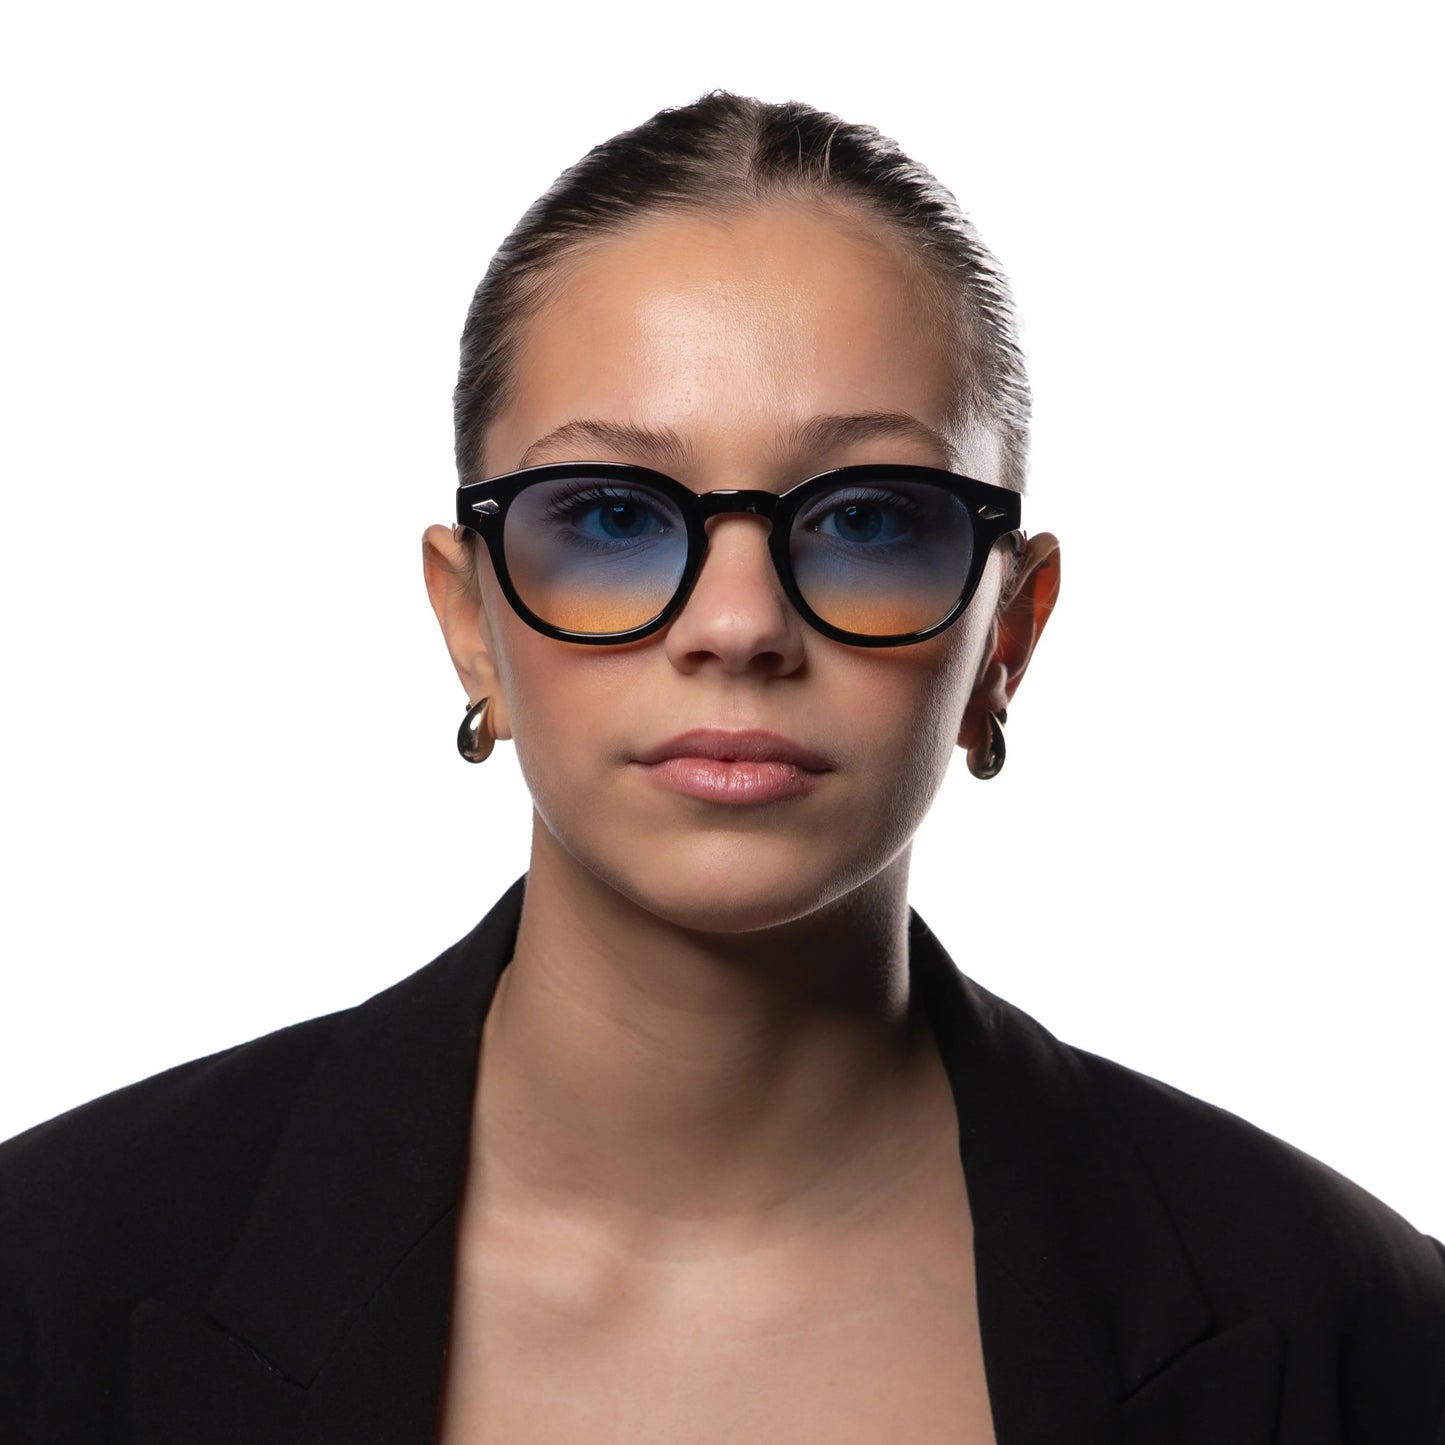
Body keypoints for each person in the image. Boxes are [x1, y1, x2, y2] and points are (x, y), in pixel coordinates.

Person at [2, 90, 1442, 1445]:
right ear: (469, 621)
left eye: (869, 518)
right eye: (611, 515)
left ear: (1006, 633)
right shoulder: (46, 1283)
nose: (739, 625)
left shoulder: (1366, 1334)